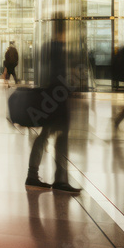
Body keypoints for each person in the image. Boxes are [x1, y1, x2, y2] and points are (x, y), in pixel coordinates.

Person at [26, 17, 80, 193]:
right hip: (57, 99)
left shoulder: (48, 47)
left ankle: (34, 174)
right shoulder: (59, 49)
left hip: (49, 97)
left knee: (45, 135)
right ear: (64, 30)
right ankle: (59, 178)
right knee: (60, 137)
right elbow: (59, 75)